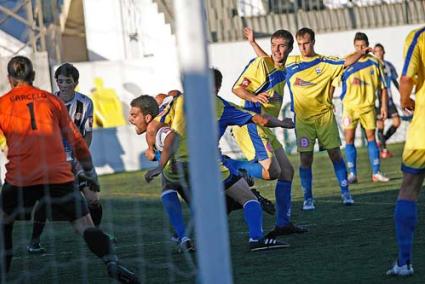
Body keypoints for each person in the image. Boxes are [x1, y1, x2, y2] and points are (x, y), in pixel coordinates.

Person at [0, 56, 139, 283]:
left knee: (4, 222)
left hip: (21, 175)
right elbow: (77, 140)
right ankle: (111, 263)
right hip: (59, 172)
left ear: (9, 78)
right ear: (34, 76)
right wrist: (89, 170)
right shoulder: (51, 101)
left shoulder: (3, 103)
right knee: (85, 225)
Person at [130, 91, 289, 252]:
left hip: (184, 165)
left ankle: (184, 237)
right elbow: (170, 97)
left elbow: (168, 134)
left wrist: (156, 160)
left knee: (172, 188)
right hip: (205, 162)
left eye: (134, 115)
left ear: (148, 116)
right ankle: (255, 238)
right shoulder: (181, 107)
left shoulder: (160, 121)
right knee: (243, 198)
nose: (130, 119)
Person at [244, 27, 368, 210]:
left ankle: (345, 192)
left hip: (325, 118)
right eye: (300, 44)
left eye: (306, 43)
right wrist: (253, 43)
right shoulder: (291, 62)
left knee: (335, 155)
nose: (302, 48)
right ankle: (308, 198)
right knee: (305, 160)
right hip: (302, 121)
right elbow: (268, 61)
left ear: (313, 42)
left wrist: (360, 52)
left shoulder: (325, 62)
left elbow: (346, 62)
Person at [226, 28, 307, 237]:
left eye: (281, 46)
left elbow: (269, 61)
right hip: (250, 123)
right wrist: (254, 98)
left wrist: (253, 43)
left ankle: (283, 224)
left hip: (266, 124)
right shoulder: (262, 64)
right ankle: (232, 167)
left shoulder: (278, 66)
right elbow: (236, 89)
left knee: (287, 171)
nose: (277, 50)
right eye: (274, 46)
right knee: (272, 172)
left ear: (289, 48)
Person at [27, 63, 104, 254]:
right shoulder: (47, 101)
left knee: (93, 199)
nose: (63, 85)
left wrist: (82, 156)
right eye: (60, 81)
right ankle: (34, 242)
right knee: (45, 201)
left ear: (76, 83)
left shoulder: (85, 103)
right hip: (54, 161)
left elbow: (88, 133)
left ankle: (96, 236)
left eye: (68, 81)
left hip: (77, 160)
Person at [386, 26, 425, 277]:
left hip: (423, 128)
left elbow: (406, 78)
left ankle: (404, 262)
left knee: (409, 188)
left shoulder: (419, 37)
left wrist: (404, 99)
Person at [334, 32, 389, 184]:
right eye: (358, 46)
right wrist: (328, 101)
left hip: (368, 108)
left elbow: (384, 87)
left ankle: (376, 173)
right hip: (350, 108)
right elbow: (333, 82)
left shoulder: (375, 62)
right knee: (349, 139)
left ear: (368, 45)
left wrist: (383, 106)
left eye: (363, 46)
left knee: (371, 138)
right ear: (354, 46)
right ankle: (352, 174)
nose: (361, 49)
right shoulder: (346, 62)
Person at [373, 43, 402, 158]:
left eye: (380, 50)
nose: (379, 53)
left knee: (397, 122)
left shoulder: (389, 65)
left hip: (389, 99)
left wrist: (402, 94)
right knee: (380, 124)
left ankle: (382, 141)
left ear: (384, 52)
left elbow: (395, 81)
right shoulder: (372, 66)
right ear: (374, 54)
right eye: (376, 51)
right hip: (377, 100)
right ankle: (384, 150)